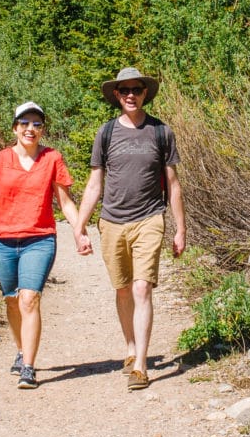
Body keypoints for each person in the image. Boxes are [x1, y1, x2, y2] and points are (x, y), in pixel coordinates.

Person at [74, 67, 186, 390]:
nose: (131, 95)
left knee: (141, 288)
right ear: (117, 96)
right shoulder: (106, 133)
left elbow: (173, 184)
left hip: (149, 219)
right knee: (122, 289)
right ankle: (130, 347)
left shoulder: (161, 132)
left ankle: (141, 366)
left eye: (137, 89)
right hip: (112, 222)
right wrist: (80, 226)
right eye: (125, 91)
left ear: (145, 93)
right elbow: (95, 184)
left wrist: (180, 229)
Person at [0, 101, 91, 390]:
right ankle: (21, 349)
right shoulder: (0, 160)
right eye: (24, 123)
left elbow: (64, 201)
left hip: (39, 239)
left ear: (43, 130)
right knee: (11, 300)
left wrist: (80, 231)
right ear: (15, 128)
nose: (31, 129)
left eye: (37, 124)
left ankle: (28, 367)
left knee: (29, 298)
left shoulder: (52, 159)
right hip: (2, 241)